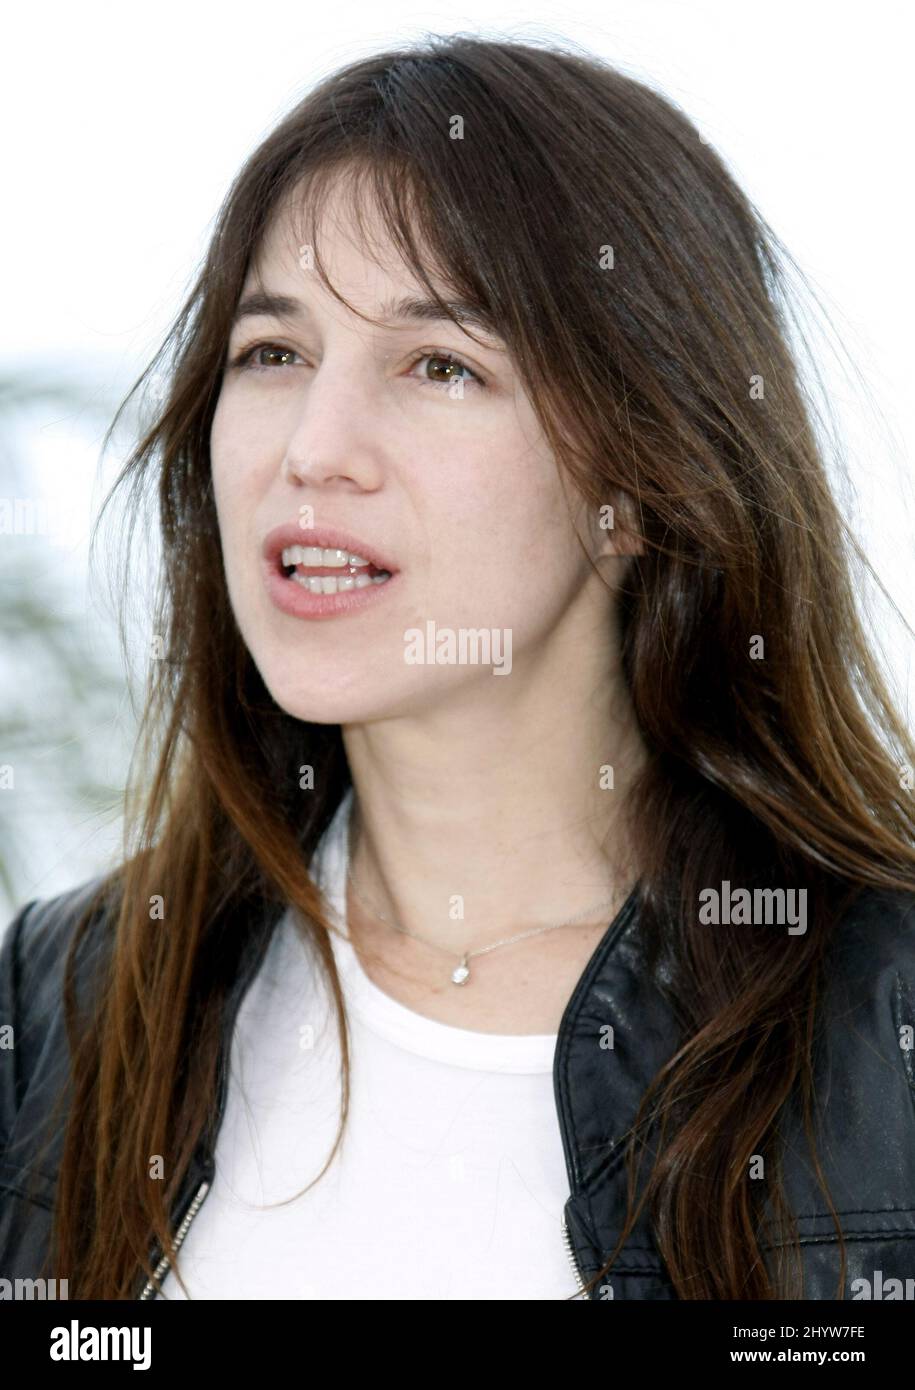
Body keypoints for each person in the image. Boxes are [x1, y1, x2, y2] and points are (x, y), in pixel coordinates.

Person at [2, 34, 915, 1302]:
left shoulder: (885, 1018)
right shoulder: (56, 1009)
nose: (315, 450)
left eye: (442, 366)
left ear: (644, 480)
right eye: (274, 352)